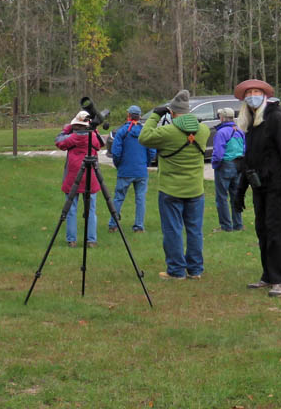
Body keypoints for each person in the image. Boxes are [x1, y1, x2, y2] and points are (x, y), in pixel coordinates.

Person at [231, 79, 281, 297]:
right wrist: (240, 192)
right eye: (249, 92)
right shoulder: (251, 122)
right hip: (259, 186)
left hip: (276, 186)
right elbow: (250, 160)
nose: (253, 95)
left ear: (264, 95)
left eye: (256, 91)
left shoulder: (276, 118)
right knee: (263, 230)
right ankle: (268, 275)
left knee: (276, 232)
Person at [138, 90, 210, 281]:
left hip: (170, 189)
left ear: (172, 112)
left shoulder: (168, 132)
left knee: (173, 230)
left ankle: (176, 270)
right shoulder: (203, 131)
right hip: (196, 189)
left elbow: (144, 137)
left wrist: (155, 114)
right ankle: (195, 270)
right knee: (194, 230)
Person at [56, 111, 104, 246]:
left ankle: (72, 240)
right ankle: (91, 240)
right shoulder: (93, 137)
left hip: (73, 177)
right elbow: (101, 144)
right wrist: (95, 130)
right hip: (91, 177)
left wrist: (66, 129)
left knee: (71, 210)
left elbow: (58, 141)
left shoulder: (71, 138)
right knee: (91, 210)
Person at [107, 105, 155, 234]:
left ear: (128, 115)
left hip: (125, 170)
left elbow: (116, 152)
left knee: (118, 198)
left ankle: (113, 224)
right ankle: (139, 226)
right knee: (140, 199)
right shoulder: (144, 131)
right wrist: (145, 163)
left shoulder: (122, 131)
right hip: (141, 171)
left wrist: (119, 165)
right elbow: (152, 151)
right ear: (139, 116)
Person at [210, 107, 244, 232]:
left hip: (225, 165)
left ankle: (226, 226)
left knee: (222, 197)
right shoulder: (239, 131)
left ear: (222, 118)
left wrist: (215, 164)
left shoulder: (221, 132)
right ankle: (238, 224)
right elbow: (244, 148)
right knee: (236, 195)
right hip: (239, 165)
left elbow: (218, 153)